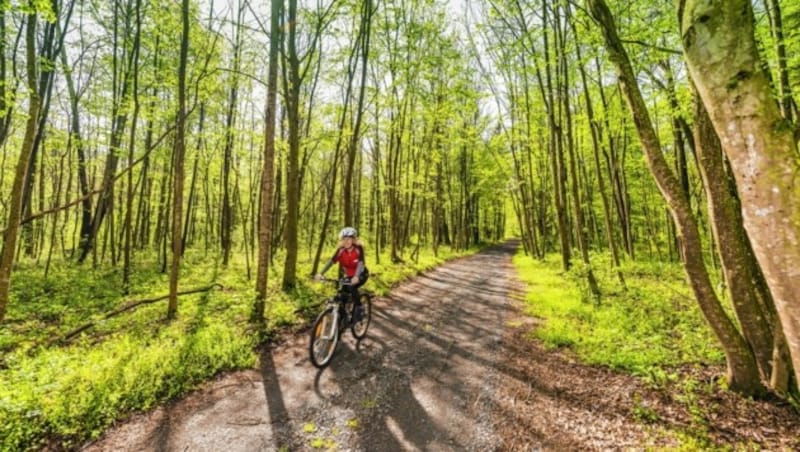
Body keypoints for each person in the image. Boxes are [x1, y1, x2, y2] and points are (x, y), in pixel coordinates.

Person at [316, 227, 369, 323]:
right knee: (342, 294)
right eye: (344, 239)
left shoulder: (358, 249)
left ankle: (360, 309)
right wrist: (321, 273)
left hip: (361, 273)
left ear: (353, 239)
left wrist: (356, 276)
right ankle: (342, 319)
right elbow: (331, 262)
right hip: (349, 275)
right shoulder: (340, 250)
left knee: (352, 287)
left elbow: (361, 263)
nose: (346, 241)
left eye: (349, 239)